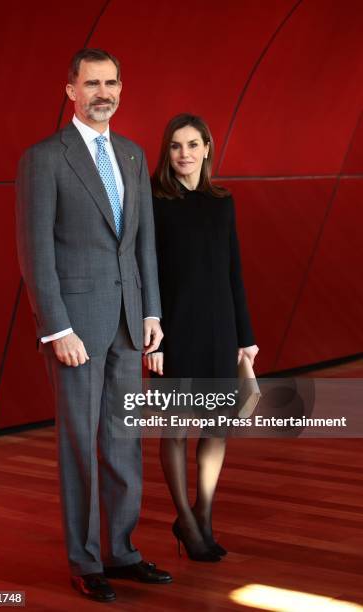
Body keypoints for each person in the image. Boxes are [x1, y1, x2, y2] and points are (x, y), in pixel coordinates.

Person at [15, 48, 172, 603]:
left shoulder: (131, 155)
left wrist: (152, 312)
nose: (102, 92)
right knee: (80, 445)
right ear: (70, 91)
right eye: (91, 83)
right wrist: (57, 329)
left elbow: (144, 245)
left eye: (110, 83)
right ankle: (85, 561)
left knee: (123, 443)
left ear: (121, 89)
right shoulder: (45, 158)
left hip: (131, 324)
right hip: (77, 330)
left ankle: (122, 552)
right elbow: (36, 253)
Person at [145, 114, 259, 562]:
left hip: (219, 328)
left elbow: (234, 271)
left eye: (193, 144)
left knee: (216, 428)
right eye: (175, 146)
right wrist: (155, 341)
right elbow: (147, 274)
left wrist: (244, 337)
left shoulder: (222, 201)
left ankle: (204, 515)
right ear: (167, 153)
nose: (185, 154)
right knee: (174, 431)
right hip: (174, 330)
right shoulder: (155, 203)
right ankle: (187, 523)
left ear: (208, 148)